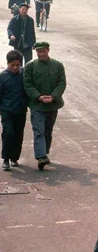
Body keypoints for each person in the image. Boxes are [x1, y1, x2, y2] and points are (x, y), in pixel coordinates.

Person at [22, 41, 66, 170]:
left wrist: (53, 96)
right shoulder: (30, 67)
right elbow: (27, 84)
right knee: (38, 131)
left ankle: (44, 153)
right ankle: (41, 156)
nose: (41, 54)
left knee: (48, 131)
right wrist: (38, 96)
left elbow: (61, 83)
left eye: (43, 51)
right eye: (38, 51)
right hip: (37, 106)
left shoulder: (58, 66)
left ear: (48, 50)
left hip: (52, 105)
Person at [0, 50, 26, 171]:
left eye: (17, 65)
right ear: (8, 63)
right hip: (7, 111)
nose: (15, 67)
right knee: (8, 133)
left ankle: (14, 158)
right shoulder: (2, 77)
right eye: (12, 65)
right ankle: (6, 158)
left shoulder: (24, 74)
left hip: (21, 110)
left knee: (18, 134)